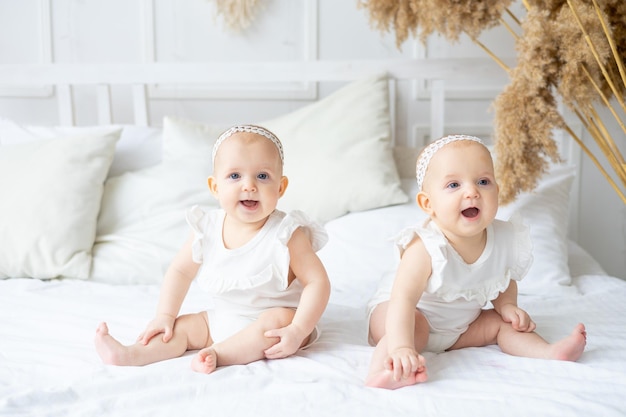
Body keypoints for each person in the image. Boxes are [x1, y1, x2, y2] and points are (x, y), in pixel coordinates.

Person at [95, 124, 331, 374]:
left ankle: (218, 354)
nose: (249, 185)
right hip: (222, 319)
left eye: (262, 176)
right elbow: (180, 271)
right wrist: (165, 315)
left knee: (276, 320)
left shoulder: (286, 233)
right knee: (181, 327)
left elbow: (318, 282)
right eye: (234, 176)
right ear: (215, 187)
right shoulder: (206, 228)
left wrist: (297, 330)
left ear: (281, 188)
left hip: (280, 325)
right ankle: (131, 354)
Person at [365, 134, 587, 390]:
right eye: (453, 185)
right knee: (415, 328)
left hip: (460, 328)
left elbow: (504, 278)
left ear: (497, 191)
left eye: (483, 181)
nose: (472, 192)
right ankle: (383, 371)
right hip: (400, 316)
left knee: (500, 324)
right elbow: (402, 301)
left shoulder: (504, 238)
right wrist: (402, 346)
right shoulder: (426, 247)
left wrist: (507, 306)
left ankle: (549, 352)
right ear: (428, 204)